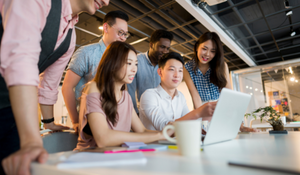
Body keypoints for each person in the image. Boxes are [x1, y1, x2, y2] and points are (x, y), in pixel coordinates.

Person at [0, 0, 109, 174]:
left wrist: (48, 122)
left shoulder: (70, 36)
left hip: (11, 109)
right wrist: (31, 140)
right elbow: (20, 61)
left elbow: (49, 82)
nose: (106, 1)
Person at [75, 41, 171, 150]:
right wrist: (160, 135)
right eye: (129, 63)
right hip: (90, 158)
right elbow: (103, 139)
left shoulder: (126, 97)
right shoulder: (93, 88)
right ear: (112, 63)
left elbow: (142, 131)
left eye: (136, 64)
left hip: (116, 157)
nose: (134, 69)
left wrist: (168, 134)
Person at [62, 10, 129, 132]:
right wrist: (76, 121)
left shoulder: (123, 60)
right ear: (106, 28)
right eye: (120, 32)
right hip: (87, 124)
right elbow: (67, 87)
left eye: (125, 34)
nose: (123, 38)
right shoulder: (86, 53)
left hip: (113, 124)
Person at [183, 32, 257, 132]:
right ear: (197, 47)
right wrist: (201, 121)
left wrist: (241, 125)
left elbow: (229, 95)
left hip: (221, 108)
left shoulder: (221, 66)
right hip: (202, 109)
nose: (207, 54)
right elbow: (195, 97)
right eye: (204, 49)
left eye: (213, 51)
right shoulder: (187, 68)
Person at [139, 52, 217, 131]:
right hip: (154, 143)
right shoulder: (149, 95)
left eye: (180, 71)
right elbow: (165, 128)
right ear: (160, 72)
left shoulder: (180, 96)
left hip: (176, 142)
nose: (177, 75)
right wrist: (198, 112)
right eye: (172, 69)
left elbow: (189, 122)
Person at [127, 29, 173, 115]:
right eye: (162, 47)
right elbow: (130, 91)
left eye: (167, 48)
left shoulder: (166, 65)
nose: (165, 52)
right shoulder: (137, 61)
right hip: (142, 113)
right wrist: (135, 114)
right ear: (151, 45)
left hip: (161, 113)